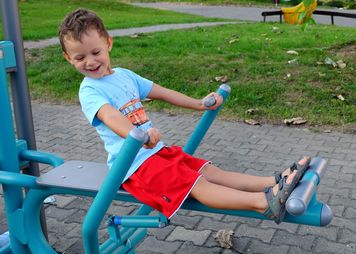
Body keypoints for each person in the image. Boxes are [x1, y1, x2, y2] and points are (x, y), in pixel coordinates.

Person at [58, 8, 310, 224]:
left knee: (211, 171)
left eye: (95, 52)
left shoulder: (124, 75)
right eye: (80, 57)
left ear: (108, 44)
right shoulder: (90, 90)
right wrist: (139, 136)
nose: (90, 62)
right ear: (68, 58)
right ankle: (262, 203)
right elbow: (112, 117)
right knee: (198, 185)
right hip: (135, 167)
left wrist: (199, 104)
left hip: (156, 153)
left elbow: (163, 92)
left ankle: (274, 181)